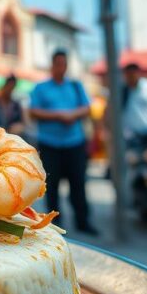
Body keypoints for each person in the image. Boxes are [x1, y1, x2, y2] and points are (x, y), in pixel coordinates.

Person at [29, 50, 96, 234]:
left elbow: (87, 108)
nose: (60, 67)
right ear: (52, 65)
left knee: (79, 184)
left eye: (63, 64)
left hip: (74, 143)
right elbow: (33, 112)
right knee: (52, 187)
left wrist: (72, 115)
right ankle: (54, 225)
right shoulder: (40, 88)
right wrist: (58, 115)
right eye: (57, 63)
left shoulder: (75, 86)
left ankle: (83, 221)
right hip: (50, 145)